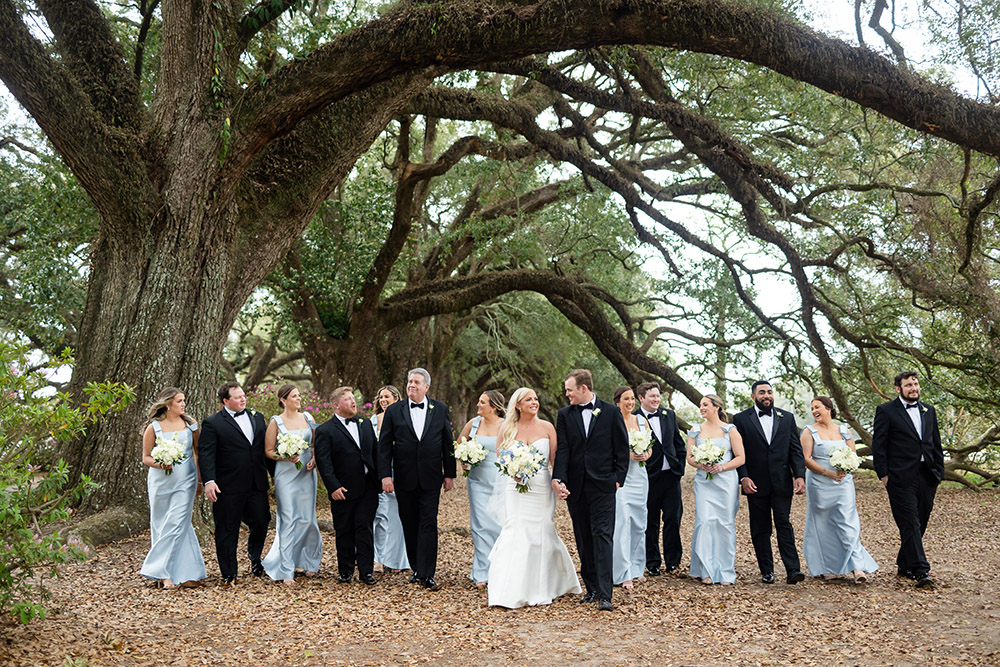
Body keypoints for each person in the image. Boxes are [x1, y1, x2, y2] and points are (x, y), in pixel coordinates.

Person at [486, 388, 582, 608]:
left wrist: (559, 482)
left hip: (540, 486)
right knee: (515, 529)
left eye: (536, 399)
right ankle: (508, 589)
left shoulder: (547, 427)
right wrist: (514, 472)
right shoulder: (506, 429)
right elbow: (501, 460)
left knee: (541, 531)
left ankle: (543, 585)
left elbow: (556, 459)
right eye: (529, 399)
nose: (534, 402)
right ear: (518, 405)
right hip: (515, 486)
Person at [552, 369, 629, 611]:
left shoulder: (611, 412)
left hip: (603, 485)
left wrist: (618, 478)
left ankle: (606, 594)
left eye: (570, 390)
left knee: (603, 535)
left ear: (583, 388)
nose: (567, 395)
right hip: (576, 485)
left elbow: (622, 448)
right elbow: (563, 449)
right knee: (583, 537)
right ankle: (592, 588)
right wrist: (559, 478)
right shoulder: (564, 415)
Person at [377, 368, 456, 590]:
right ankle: (416, 568)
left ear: (426, 387)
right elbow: (384, 446)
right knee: (410, 524)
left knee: (429, 523)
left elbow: (447, 443)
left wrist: (449, 473)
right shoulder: (394, 411)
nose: (411, 385)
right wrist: (385, 476)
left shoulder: (439, 409)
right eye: (409, 381)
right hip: (404, 477)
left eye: (416, 382)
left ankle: (427, 573)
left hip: (431, 478)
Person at [872, 371, 944, 588]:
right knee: (909, 522)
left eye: (915, 384)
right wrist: (884, 475)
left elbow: (935, 442)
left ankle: (905, 563)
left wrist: (939, 472)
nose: (914, 388)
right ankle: (922, 571)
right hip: (900, 477)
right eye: (908, 385)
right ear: (898, 389)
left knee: (920, 521)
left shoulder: (928, 410)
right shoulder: (886, 411)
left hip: (927, 475)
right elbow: (879, 445)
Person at [733, 380, 806, 585]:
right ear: (753, 396)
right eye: (762, 392)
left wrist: (799, 475)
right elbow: (738, 451)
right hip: (755, 483)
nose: (767, 396)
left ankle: (793, 570)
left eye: (770, 392)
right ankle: (767, 571)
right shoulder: (740, 419)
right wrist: (743, 477)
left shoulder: (787, 418)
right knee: (760, 527)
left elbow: (796, 450)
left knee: (784, 523)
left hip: (782, 481)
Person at [198, 381, 271, 585]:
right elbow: (206, 454)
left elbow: (264, 449)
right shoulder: (213, 423)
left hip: (256, 483)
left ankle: (255, 557)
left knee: (261, 521)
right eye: (237, 397)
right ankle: (229, 572)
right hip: (227, 485)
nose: (242, 399)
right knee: (227, 529)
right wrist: (209, 481)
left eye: (243, 395)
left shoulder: (258, 418)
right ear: (225, 401)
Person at [801, 396, 878, 583]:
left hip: (843, 483)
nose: (814, 411)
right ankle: (827, 567)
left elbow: (853, 455)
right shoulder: (808, 432)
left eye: (817, 407)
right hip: (819, 483)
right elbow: (806, 458)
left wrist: (845, 468)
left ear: (829, 408)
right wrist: (827, 472)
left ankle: (857, 567)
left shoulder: (845, 431)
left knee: (847, 521)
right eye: (812, 408)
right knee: (823, 523)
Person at [139, 387, 206, 589]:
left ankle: (160, 570)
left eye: (184, 400)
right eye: (179, 401)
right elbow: (146, 457)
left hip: (185, 481)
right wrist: (161, 463)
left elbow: (197, 452)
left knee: (177, 522)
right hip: (160, 482)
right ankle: (180, 573)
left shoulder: (191, 425)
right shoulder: (154, 428)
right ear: (168, 404)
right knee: (162, 524)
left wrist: (200, 481)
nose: (184, 404)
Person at [314, 386, 380, 585]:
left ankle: (366, 571)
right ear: (336, 406)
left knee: (365, 528)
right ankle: (345, 571)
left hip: (368, 487)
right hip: (342, 489)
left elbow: (375, 454)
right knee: (344, 530)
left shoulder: (366, 424)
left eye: (354, 398)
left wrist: (382, 478)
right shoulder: (325, 431)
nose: (353, 402)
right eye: (348, 399)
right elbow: (324, 463)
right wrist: (333, 487)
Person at [261, 384, 322, 585]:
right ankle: (286, 568)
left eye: (299, 395)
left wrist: (314, 458)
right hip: (285, 475)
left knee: (307, 518)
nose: (298, 398)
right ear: (283, 400)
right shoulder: (276, 422)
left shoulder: (308, 418)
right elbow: (269, 451)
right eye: (294, 396)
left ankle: (308, 562)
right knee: (287, 518)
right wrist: (285, 456)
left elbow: (315, 444)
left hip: (306, 473)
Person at [687, 394, 744, 585]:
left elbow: (740, 458)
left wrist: (722, 467)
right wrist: (702, 464)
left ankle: (725, 571)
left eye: (705, 405)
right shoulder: (695, 430)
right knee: (704, 522)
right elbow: (690, 457)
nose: (701, 408)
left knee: (724, 524)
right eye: (700, 405)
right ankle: (706, 569)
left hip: (726, 482)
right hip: (704, 482)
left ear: (717, 407)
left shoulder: (730, 430)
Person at [635, 381, 687, 576]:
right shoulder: (634, 419)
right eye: (652, 396)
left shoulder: (669, 415)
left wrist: (679, 467)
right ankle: (652, 562)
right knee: (650, 520)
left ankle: (673, 561)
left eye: (658, 396)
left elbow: (678, 444)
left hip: (671, 476)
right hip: (648, 477)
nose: (656, 399)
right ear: (641, 398)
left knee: (673, 518)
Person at [456, 390, 505, 588]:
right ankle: (482, 573)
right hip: (477, 481)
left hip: (500, 481)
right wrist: (464, 459)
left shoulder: (506, 425)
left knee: (499, 525)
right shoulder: (473, 423)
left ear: (493, 406)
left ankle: (501, 569)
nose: (478, 405)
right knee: (480, 526)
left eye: (482, 402)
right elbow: (459, 444)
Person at [612, 386, 650, 589]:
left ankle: (636, 567)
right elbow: (608, 449)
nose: (630, 402)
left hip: (640, 476)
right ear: (617, 401)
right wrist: (628, 455)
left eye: (632, 399)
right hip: (621, 477)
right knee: (622, 522)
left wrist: (646, 454)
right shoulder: (611, 420)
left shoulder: (642, 421)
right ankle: (622, 571)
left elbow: (650, 446)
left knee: (638, 522)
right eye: (626, 399)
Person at [370, 385, 409, 574]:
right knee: (379, 516)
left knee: (398, 517)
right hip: (379, 473)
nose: (382, 400)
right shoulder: (372, 420)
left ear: (396, 398)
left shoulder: (403, 418)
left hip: (401, 471)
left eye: (386, 396)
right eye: (380, 397)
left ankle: (397, 559)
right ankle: (377, 558)